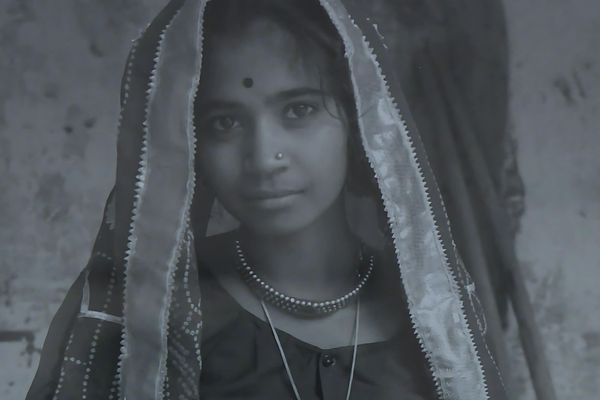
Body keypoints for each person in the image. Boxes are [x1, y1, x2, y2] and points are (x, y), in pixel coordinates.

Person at [27, 0, 508, 399]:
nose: (263, 157)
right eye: (225, 123)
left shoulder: (433, 318)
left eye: (299, 110)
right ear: (188, 144)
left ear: (359, 124)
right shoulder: (146, 314)